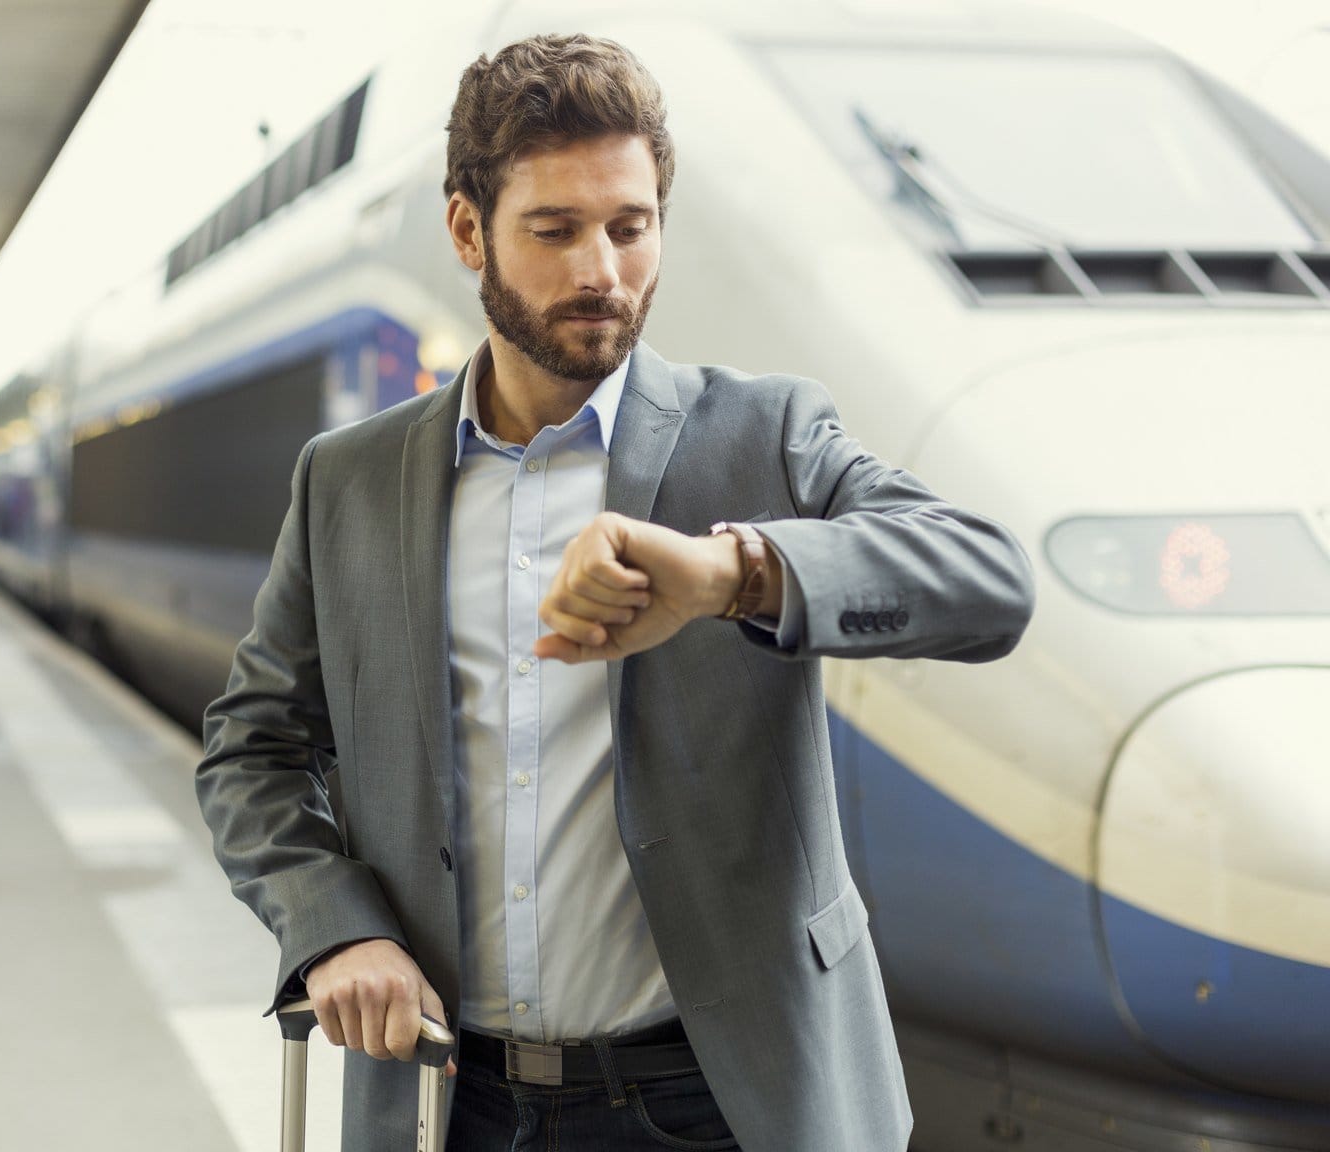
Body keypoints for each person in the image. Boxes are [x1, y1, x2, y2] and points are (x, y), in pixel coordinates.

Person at [195, 34, 1036, 1152]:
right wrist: (331, 927)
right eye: (555, 230)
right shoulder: (346, 480)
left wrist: (734, 573)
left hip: (724, 1095)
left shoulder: (764, 434)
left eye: (631, 228)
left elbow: (987, 581)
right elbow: (251, 749)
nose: (602, 270)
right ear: (467, 231)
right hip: (454, 1100)